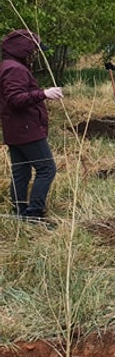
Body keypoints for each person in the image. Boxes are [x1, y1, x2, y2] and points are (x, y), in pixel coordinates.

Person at [0, 29, 63, 221]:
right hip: (26, 129)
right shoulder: (14, 69)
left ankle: (19, 211)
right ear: (24, 49)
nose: (35, 54)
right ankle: (34, 213)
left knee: (21, 171)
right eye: (34, 50)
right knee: (47, 169)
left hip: (15, 129)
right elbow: (15, 99)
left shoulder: (7, 65)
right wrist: (44, 93)